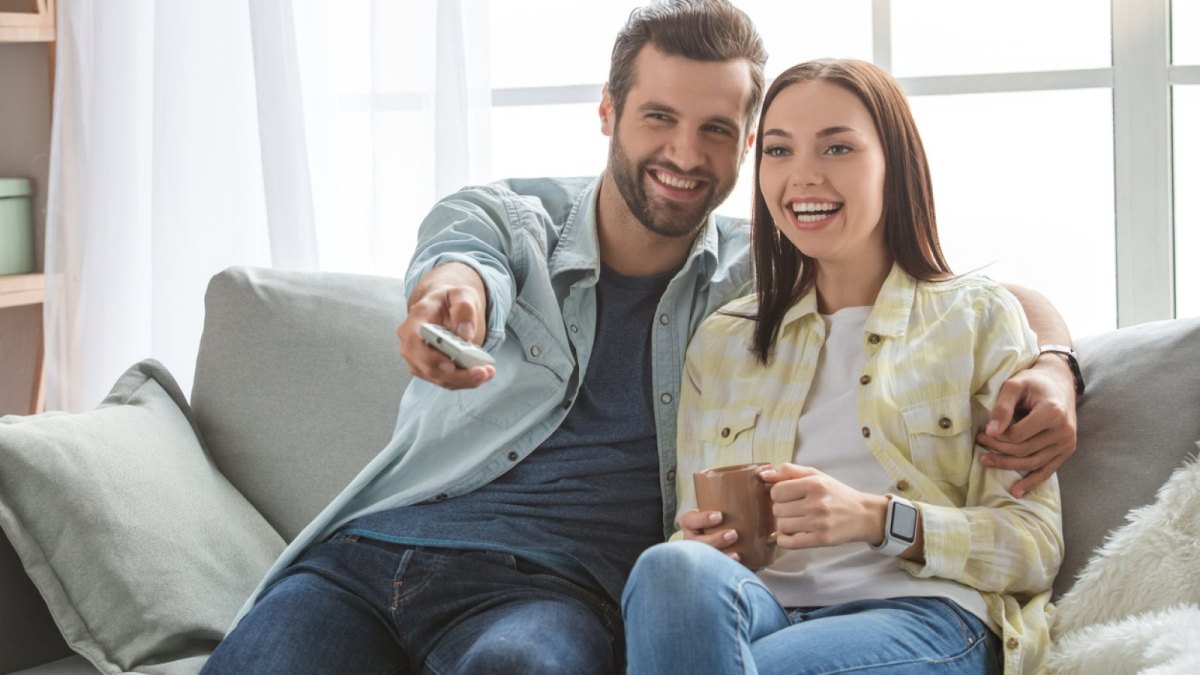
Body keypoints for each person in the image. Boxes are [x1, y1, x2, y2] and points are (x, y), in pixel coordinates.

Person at [202, 3, 1075, 673]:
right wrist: (452, 299)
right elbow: (462, 261)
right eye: (659, 118)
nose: (685, 154)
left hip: (551, 589)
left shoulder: (755, 281)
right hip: (371, 555)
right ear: (609, 111)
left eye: (719, 131)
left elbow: (954, 294)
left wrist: (1055, 363)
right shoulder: (526, 224)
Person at [621, 59, 1063, 675]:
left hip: (922, 615)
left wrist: (875, 519)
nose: (804, 175)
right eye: (779, 150)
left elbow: (1034, 548)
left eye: (837, 147)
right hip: (762, 610)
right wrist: (700, 542)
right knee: (669, 568)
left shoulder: (976, 318)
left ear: (894, 165)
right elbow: (689, 539)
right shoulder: (724, 340)